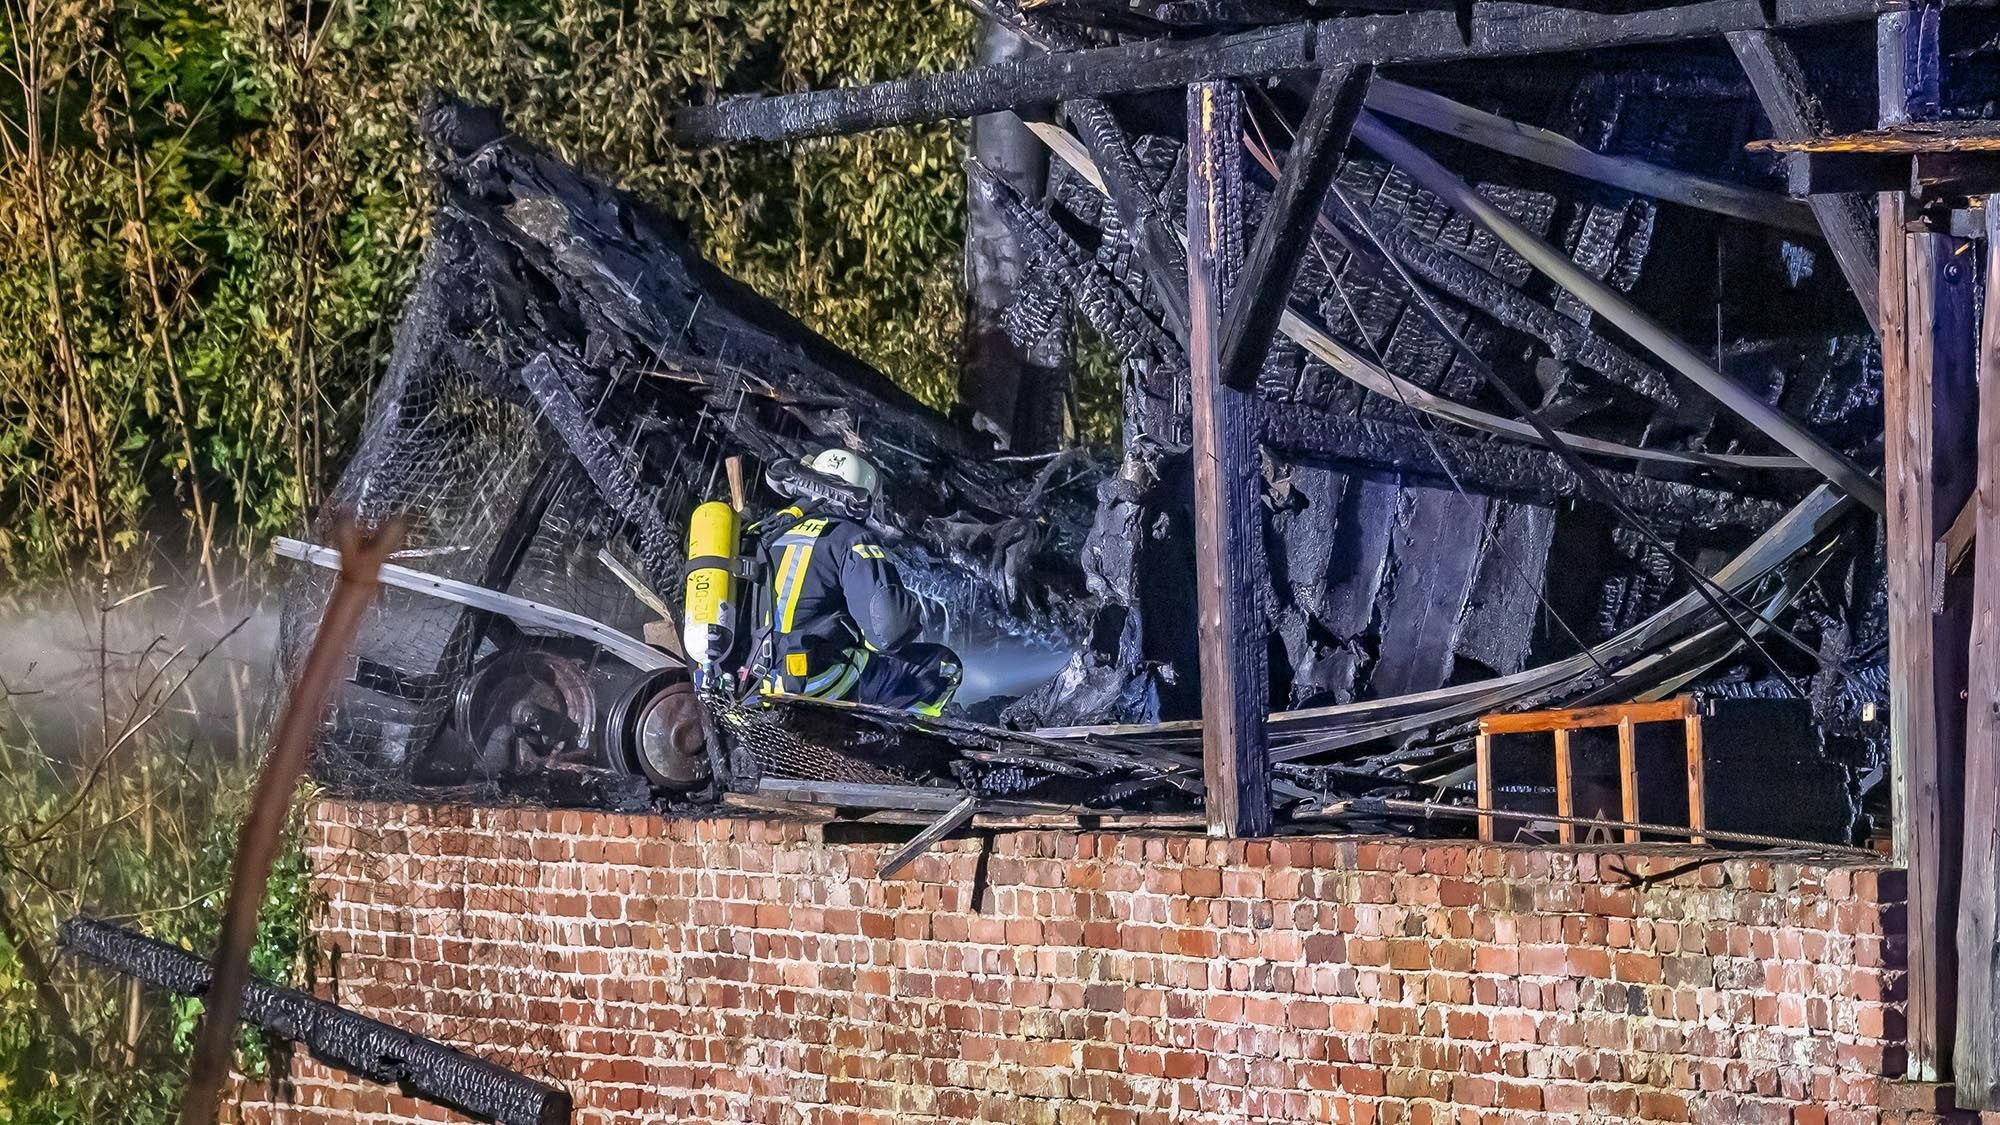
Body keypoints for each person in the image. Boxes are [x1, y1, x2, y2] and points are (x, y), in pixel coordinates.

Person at [745, 449, 961, 716]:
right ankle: (898, 744)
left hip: (753, 683)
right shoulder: (850, 538)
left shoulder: (769, 532)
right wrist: (909, 609)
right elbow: (889, 633)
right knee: (944, 667)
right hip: (814, 684)